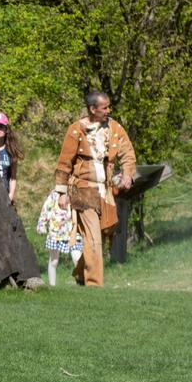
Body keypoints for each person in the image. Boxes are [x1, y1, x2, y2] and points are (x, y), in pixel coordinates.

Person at [52, 90, 136, 288]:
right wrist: (62, 193)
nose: (108, 110)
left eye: (108, 106)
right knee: (93, 236)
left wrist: (127, 173)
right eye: (104, 107)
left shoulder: (114, 128)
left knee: (107, 228)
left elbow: (128, 153)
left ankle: (81, 273)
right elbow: (64, 162)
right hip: (82, 187)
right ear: (93, 109)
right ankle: (94, 285)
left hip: (104, 190)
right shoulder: (76, 130)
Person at [35, 186, 83, 287]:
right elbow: (46, 209)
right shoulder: (54, 195)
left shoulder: (77, 192)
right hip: (56, 232)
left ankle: (82, 283)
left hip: (73, 231)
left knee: (77, 257)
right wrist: (41, 225)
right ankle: (52, 285)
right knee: (54, 261)